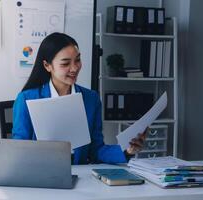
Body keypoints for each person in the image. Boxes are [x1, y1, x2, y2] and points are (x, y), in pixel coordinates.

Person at [12, 32, 146, 164]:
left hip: (79, 174)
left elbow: (96, 150)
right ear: (47, 66)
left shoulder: (91, 99)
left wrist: (127, 151)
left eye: (77, 60)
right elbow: (19, 150)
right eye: (65, 64)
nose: (74, 68)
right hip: (40, 173)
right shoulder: (26, 99)